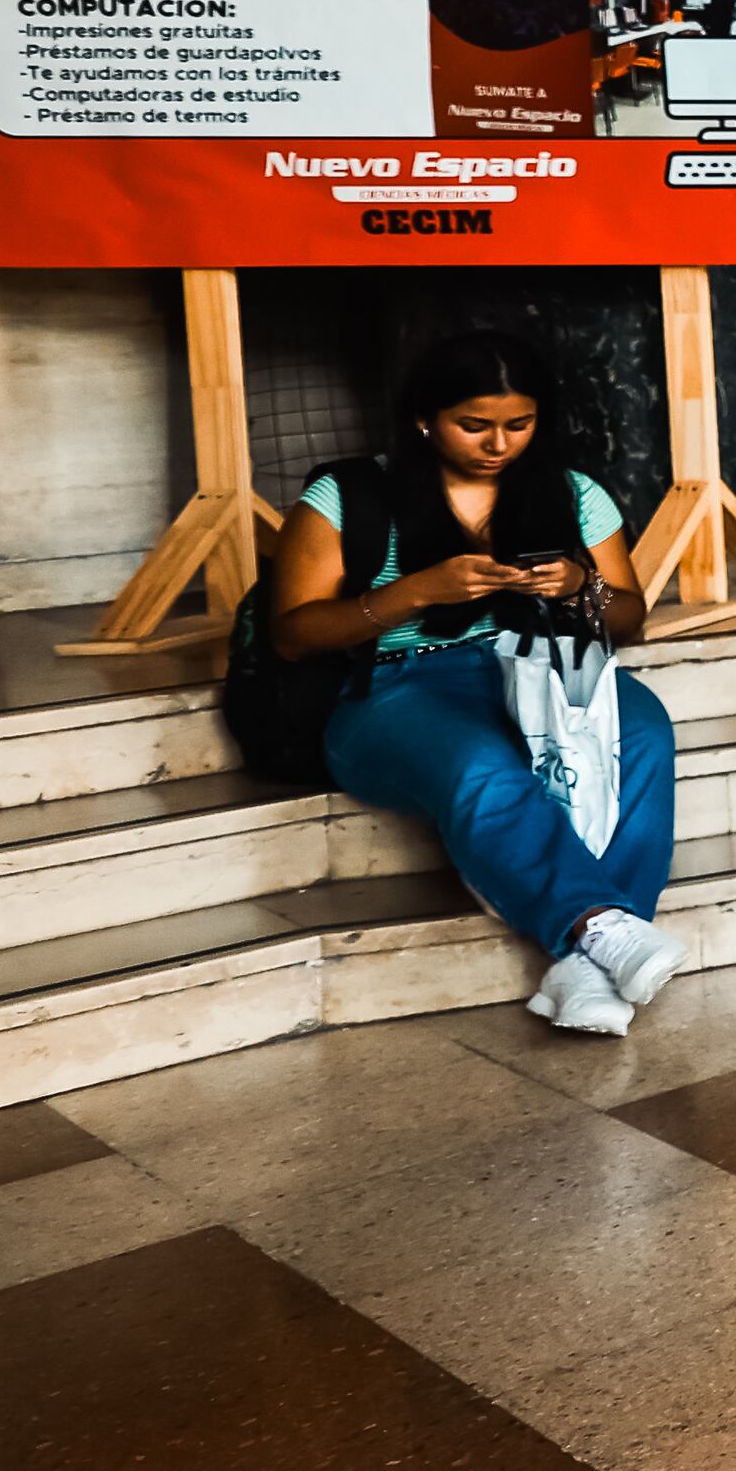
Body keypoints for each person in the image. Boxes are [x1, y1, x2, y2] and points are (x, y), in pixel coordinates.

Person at [256, 330, 682, 1038]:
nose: (499, 444)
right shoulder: (347, 495)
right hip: (392, 688)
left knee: (640, 730)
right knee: (479, 758)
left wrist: (583, 587)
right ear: (424, 417)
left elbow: (629, 618)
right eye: (474, 425)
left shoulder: (571, 492)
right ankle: (600, 926)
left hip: (540, 665)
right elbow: (294, 635)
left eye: (519, 425)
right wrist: (417, 590)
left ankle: (586, 956)